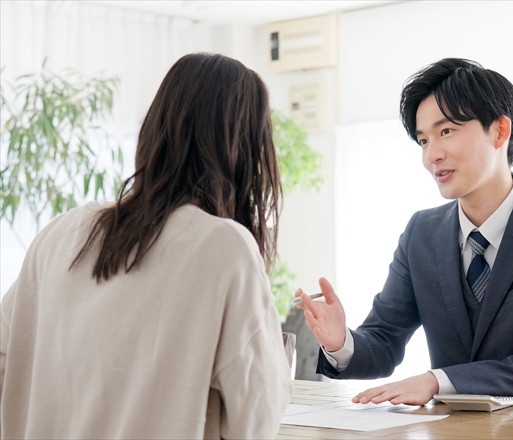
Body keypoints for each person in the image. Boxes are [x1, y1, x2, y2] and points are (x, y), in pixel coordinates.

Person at [0, 53, 293, 438]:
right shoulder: (225, 247)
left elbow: (6, 357)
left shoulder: (63, 231)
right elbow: (258, 410)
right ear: (247, 150)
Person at [296, 58, 513, 406]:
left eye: (446, 132)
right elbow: (384, 341)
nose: (432, 154)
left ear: (500, 131)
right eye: (423, 140)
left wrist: (436, 380)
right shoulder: (421, 233)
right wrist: (341, 342)